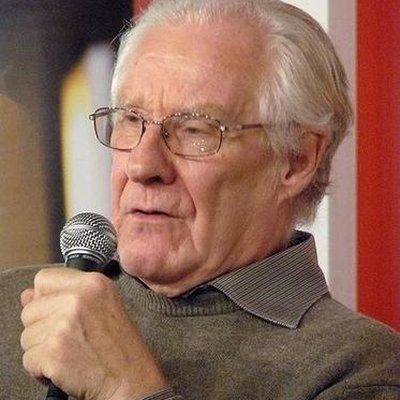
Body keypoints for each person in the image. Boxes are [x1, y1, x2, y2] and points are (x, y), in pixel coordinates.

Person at [1, 0, 399, 399]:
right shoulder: (15, 303)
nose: (141, 165)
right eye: (131, 120)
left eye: (195, 130)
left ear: (297, 160)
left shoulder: (359, 369)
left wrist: (123, 387)